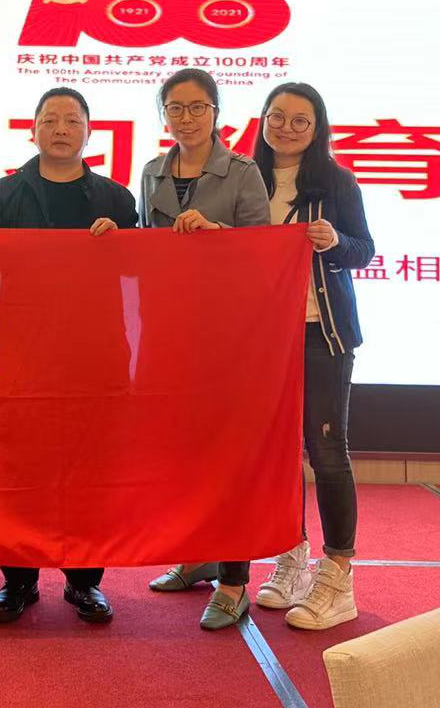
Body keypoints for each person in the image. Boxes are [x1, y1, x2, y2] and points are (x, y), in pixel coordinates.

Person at [0, 86, 139, 625]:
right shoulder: (8, 192)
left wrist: (122, 242)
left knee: (90, 469)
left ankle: (84, 582)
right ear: (33, 130)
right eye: (50, 120)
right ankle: (18, 580)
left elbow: (140, 268)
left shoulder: (116, 198)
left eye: (72, 120)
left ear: (89, 131)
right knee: (20, 468)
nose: (61, 129)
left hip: (95, 351)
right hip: (23, 349)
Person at [134, 69, 272, 630]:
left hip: (228, 335)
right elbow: (146, 249)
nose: (186, 118)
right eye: (175, 107)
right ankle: (196, 558)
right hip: (170, 331)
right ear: (163, 114)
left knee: (229, 457)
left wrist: (218, 235)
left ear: (217, 112)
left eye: (198, 107)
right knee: (183, 453)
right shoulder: (151, 172)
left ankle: (235, 581)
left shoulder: (243, 172)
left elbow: (265, 254)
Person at [250, 82, 375, 631]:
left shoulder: (336, 180)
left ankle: (338, 574)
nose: (286, 128)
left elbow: (364, 249)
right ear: (262, 120)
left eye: (300, 120)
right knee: (276, 454)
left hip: (321, 331)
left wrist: (335, 242)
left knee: (326, 451)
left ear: (317, 128)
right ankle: (291, 557)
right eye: (277, 116)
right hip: (260, 336)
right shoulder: (244, 176)